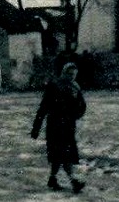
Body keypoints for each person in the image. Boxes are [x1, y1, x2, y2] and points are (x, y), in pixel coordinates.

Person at [31, 62, 86, 193]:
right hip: (55, 126)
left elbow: (82, 105)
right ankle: (73, 181)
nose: (71, 76)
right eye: (69, 73)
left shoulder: (75, 87)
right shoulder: (54, 85)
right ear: (63, 72)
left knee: (61, 155)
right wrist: (36, 127)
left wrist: (76, 114)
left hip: (68, 126)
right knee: (62, 155)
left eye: (74, 74)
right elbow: (43, 107)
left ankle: (53, 179)